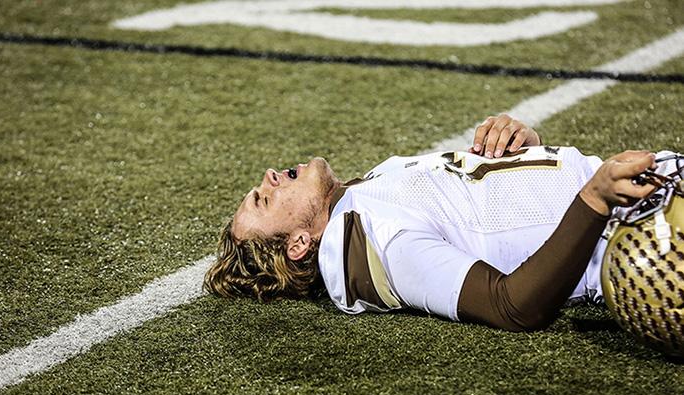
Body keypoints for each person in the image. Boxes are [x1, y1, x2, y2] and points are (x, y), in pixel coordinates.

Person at [204, 114, 659, 332]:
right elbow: (513, 306)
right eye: (264, 200)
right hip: (648, 244)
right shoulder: (369, 243)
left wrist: (530, 150)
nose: (267, 178)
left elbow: (502, 218)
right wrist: (593, 199)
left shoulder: (366, 191)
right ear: (300, 244)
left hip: (650, 194)